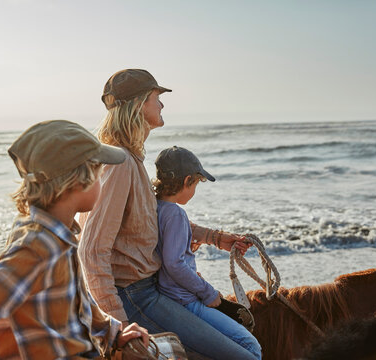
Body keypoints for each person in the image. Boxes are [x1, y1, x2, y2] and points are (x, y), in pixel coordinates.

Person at [78, 69, 255, 359]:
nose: (162, 105)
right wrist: (119, 326)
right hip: (134, 296)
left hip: (148, 289)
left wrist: (214, 237)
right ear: (138, 105)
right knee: (245, 355)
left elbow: (151, 218)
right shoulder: (119, 163)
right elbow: (92, 250)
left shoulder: (130, 158)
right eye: (156, 97)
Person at [0, 120, 149, 359]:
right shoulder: (38, 246)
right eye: (98, 175)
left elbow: (76, 303)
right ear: (77, 181)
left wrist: (112, 331)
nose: (102, 183)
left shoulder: (58, 236)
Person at [153, 146, 262, 360]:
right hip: (184, 300)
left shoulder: (155, 207)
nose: (194, 191)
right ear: (187, 181)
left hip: (170, 295)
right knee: (249, 345)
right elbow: (174, 263)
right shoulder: (176, 214)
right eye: (195, 185)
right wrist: (208, 294)